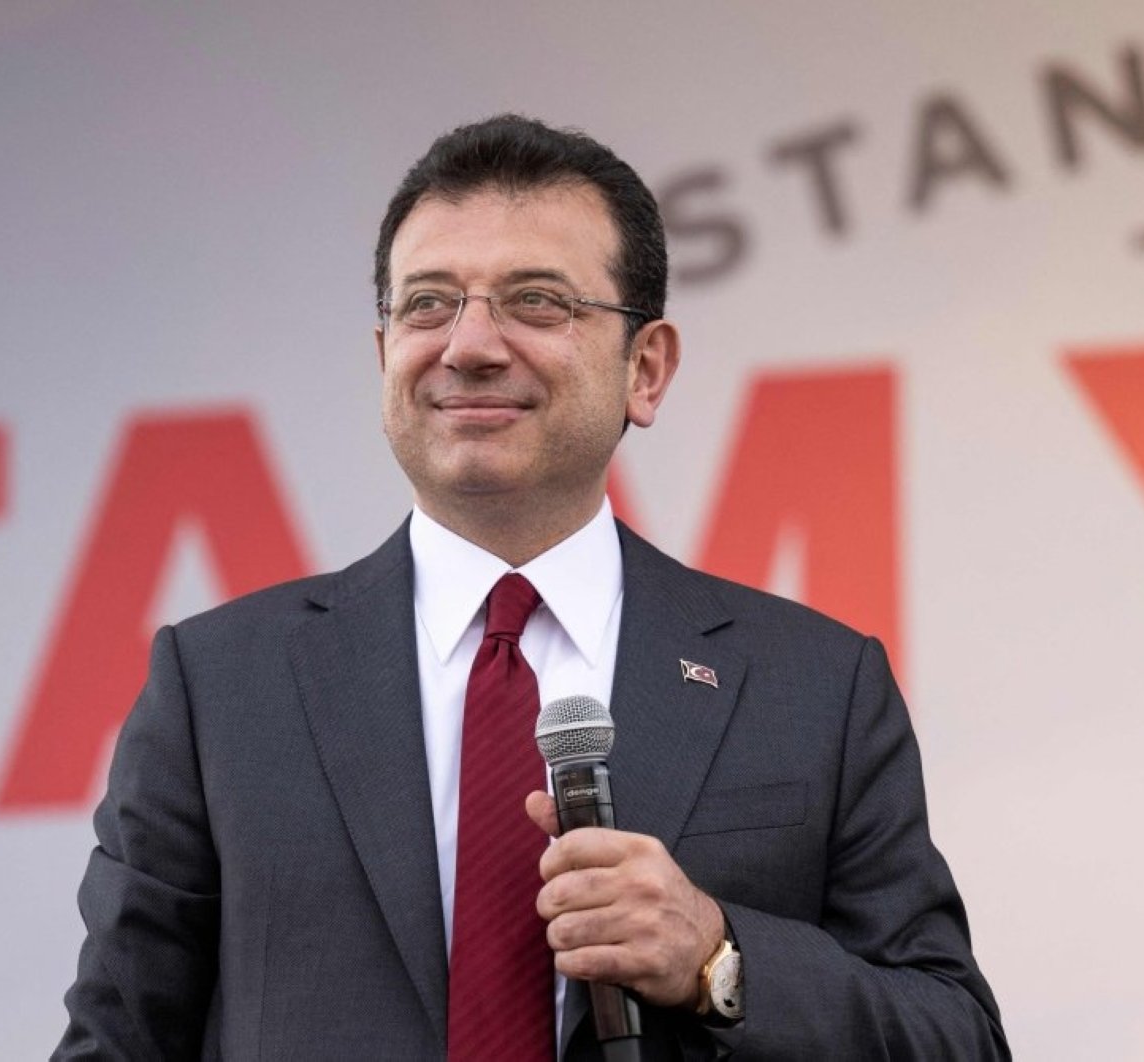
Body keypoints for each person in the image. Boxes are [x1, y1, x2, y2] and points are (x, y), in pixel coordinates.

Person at [54, 114, 1008, 1060]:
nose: (468, 345)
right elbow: (116, 1042)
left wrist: (718, 957)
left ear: (646, 368)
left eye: (537, 301)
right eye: (427, 304)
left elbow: (955, 1037)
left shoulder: (814, 687)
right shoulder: (221, 687)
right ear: (383, 358)